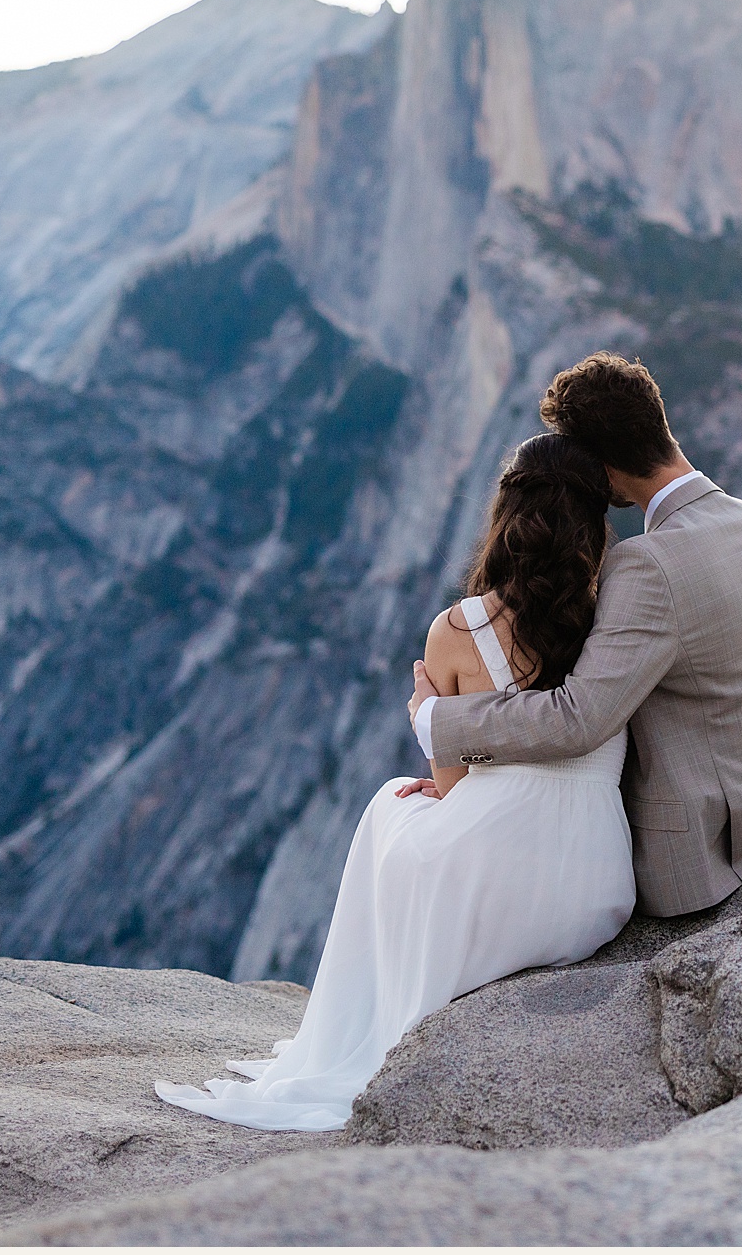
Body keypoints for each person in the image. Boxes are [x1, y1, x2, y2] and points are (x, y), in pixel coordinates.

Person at [154, 431, 634, 1132]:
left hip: (500, 898)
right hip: (598, 890)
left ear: (505, 516)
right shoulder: (622, 618)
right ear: (595, 522)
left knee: (390, 804)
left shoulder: (460, 629)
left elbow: (455, 781)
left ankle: (354, 1023)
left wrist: (428, 722)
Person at [412, 351, 742, 921]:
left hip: (717, 856)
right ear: (658, 423)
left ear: (601, 472)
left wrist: (437, 722)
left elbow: (578, 719)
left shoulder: (647, 566)